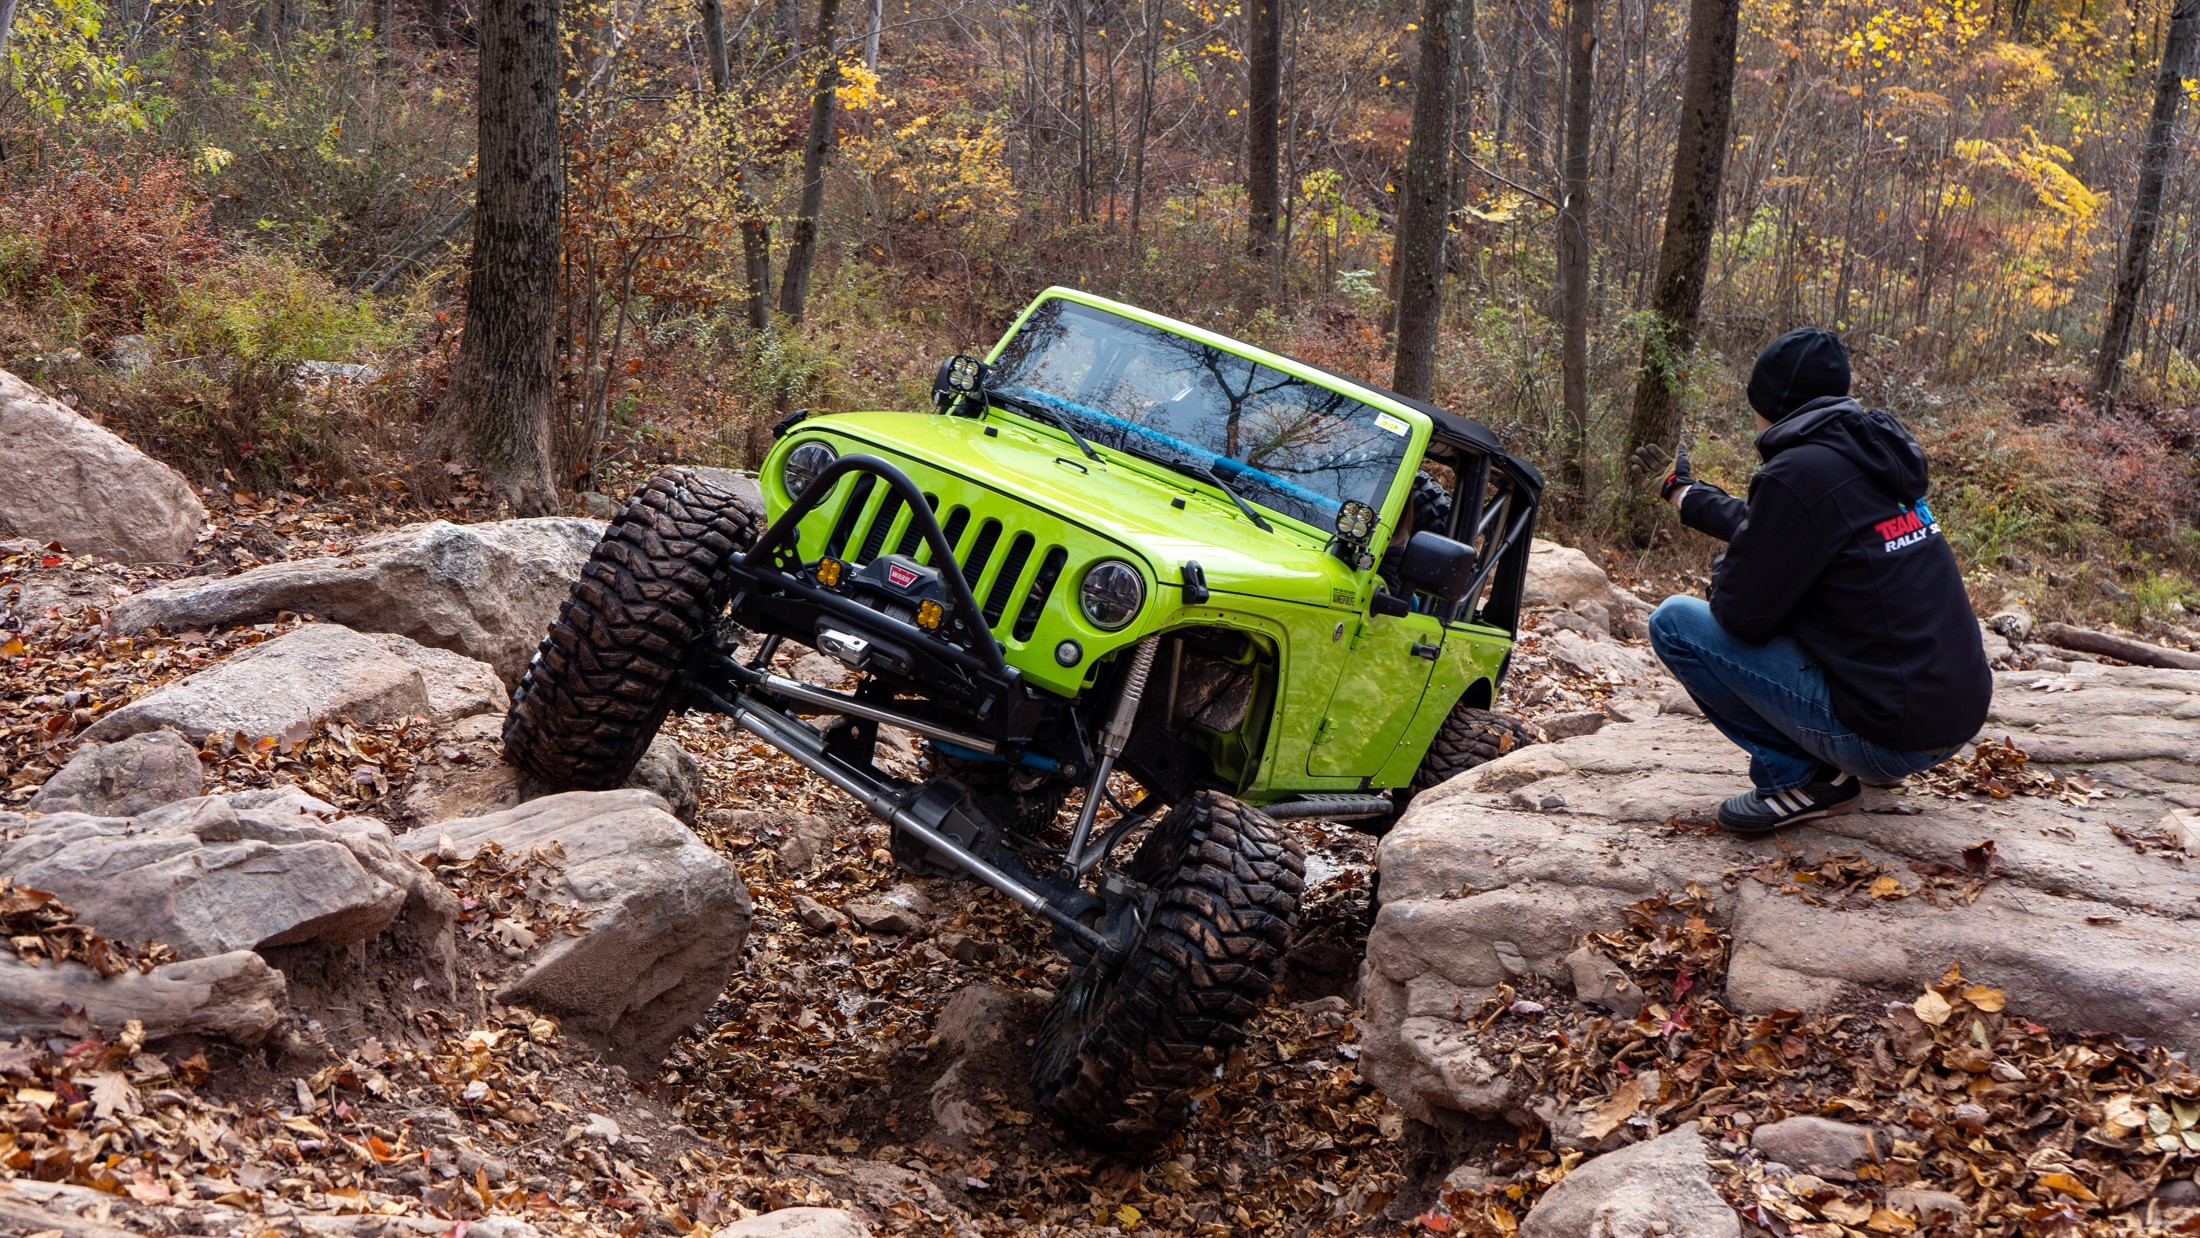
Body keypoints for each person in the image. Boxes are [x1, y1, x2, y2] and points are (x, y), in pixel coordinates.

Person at [1628, 328, 1990, 833]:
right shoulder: (1870, 453)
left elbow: (1740, 614)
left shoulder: (1798, 473)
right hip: (1951, 720)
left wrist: (1726, 570)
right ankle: (1865, 757)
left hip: (1890, 738)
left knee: (1673, 622)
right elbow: (1782, 526)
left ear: (1772, 403)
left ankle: (1806, 779)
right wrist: (1685, 494)